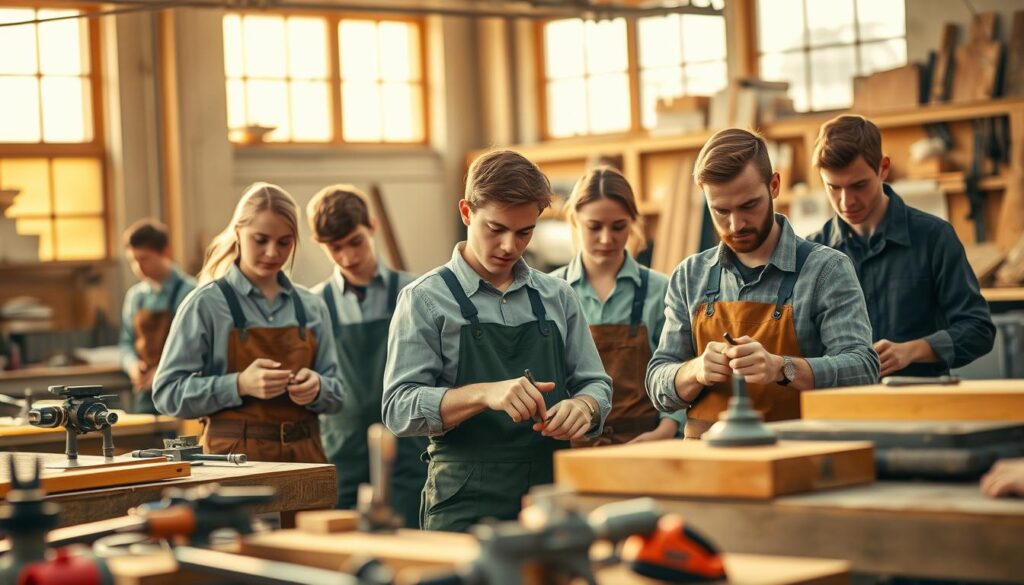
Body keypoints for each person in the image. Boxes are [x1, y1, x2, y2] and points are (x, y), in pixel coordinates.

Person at [382, 150, 612, 532]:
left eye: (524, 232)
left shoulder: (558, 296)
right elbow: (398, 408)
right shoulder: (424, 299)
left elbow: (596, 383)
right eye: (496, 229)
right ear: (466, 212)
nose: (509, 246)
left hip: (549, 501)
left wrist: (585, 407)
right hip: (463, 505)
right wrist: (483, 394)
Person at [646, 128, 879, 439]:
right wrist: (696, 370)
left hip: (796, 453)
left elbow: (863, 369)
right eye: (721, 211)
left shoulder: (827, 270)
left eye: (748, 205)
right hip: (705, 458)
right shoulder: (690, 275)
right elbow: (658, 382)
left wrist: (782, 368)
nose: (735, 224)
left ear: (774, 186)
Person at [153, 182, 344, 462]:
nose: (272, 253)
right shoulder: (205, 304)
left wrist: (318, 387)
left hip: (306, 458)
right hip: (234, 463)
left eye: (284, 242)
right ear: (238, 232)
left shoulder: (312, 306)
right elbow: (167, 394)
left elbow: (338, 394)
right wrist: (239, 385)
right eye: (260, 239)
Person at [807, 115, 995, 378]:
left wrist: (913, 350)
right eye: (833, 187)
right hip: (842, 404)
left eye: (859, 185)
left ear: (883, 168)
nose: (846, 201)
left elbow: (979, 330)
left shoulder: (934, 238)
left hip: (922, 404)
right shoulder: (813, 252)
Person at [307, 184, 426, 525]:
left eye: (355, 242)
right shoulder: (314, 306)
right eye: (336, 248)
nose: (348, 258)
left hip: (409, 451)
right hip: (341, 454)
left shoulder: (415, 293)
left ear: (371, 226)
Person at [551, 167, 684, 445]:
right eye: (594, 226)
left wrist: (665, 431)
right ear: (575, 220)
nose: (606, 238)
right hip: (572, 447)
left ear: (633, 222)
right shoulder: (550, 291)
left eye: (618, 226)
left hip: (647, 446)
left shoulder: (661, 290)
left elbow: (678, 370)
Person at [118, 219, 196, 414]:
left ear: (166, 252)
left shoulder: (192, 293)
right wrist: (133, 366)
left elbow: (195, 348)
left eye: (144, 258)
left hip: (179, 393)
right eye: (133, 260)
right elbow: (126, 342)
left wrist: (163, 373)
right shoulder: (135, 297)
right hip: (144, 395)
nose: (138, 266)